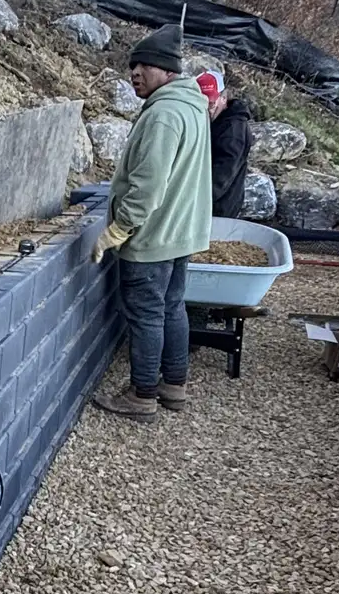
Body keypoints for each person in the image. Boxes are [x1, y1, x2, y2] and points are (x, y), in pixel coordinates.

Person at [91, 21, 213, 421]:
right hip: (181, 233)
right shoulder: (191, 107)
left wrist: (118, 229)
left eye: (143, 65)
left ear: (167, 70)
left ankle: (142, 395)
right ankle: (172, 385)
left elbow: (148, 184)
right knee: (171, 307)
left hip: (153, 236)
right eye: (132, 65)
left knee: (145, 314)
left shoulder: (163, 116)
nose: (134, 73)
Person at [199, 68, 255, 219]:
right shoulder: (216, 121)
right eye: (200, 105)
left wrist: (195, 204)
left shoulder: (233, 133)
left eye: (210, 104)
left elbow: (220, 179)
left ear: (223, 99)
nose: (206, 110)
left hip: (217, 209)